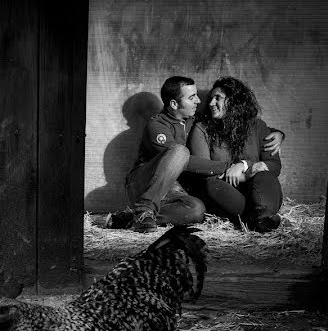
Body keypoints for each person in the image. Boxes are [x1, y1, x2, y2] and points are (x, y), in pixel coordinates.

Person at [109, 76, 283, 233]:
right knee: (179, 151)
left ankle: (131, 220)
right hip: (144, 183)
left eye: (197, 96)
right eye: (192, 98)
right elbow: (185, 162)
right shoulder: (157, 126)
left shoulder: (193, 119)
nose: (200, 101)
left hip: (174, 189)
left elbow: (243, 124)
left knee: (197, 211)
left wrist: (278, 134)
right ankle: (143, 209)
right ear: (174, 104)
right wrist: (231, 166)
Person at [186, 76, 284, 233]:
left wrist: (244, 165)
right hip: (225, 193)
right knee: (212, 185)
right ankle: (254, 219)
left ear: (234, 101)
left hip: (260, 191)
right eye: (211, 98)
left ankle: (263, 215)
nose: (211, 103)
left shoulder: (258, 126)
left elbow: (274, 166)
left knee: (265, 175)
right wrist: (244, 174)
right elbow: (204, 170)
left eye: (218, 98)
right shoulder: (202, 129)